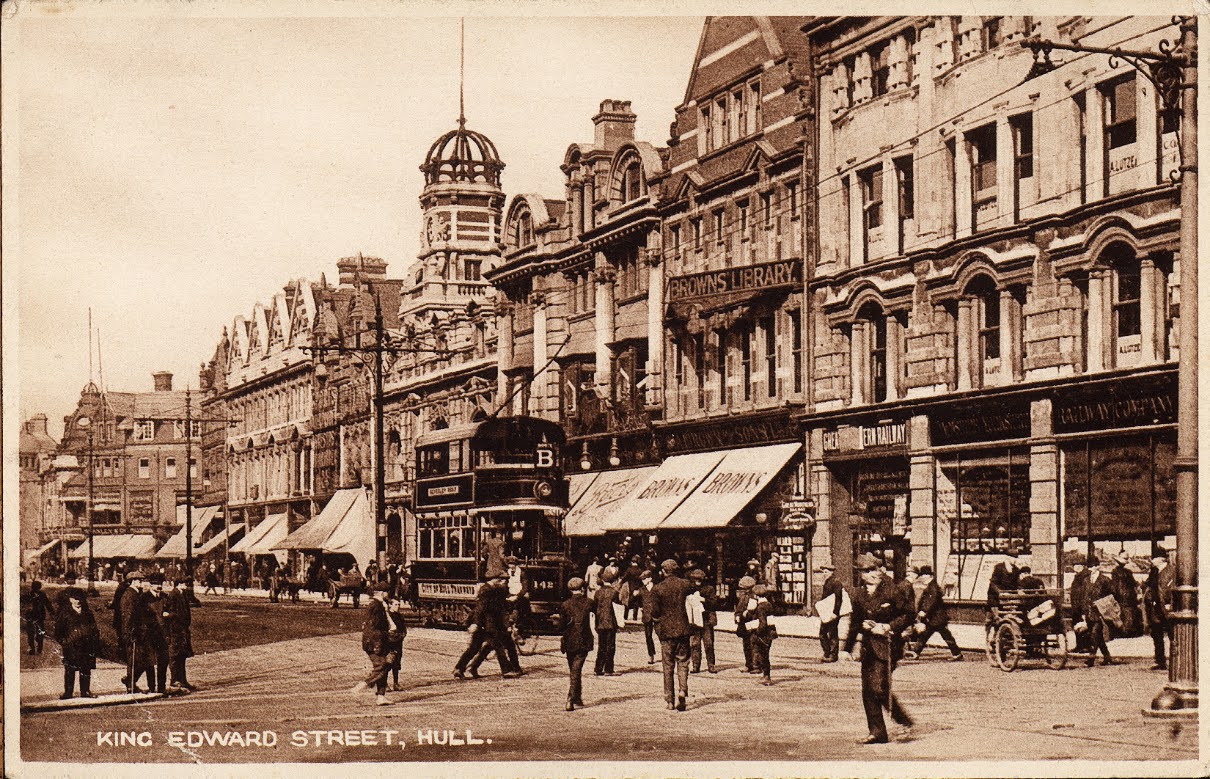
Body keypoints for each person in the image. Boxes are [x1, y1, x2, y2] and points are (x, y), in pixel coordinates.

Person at [842, 553, 915, 745]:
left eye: (873, 569)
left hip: (888, 646)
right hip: (868, 647)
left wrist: (888, 626)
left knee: (878, 688)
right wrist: (847, 648)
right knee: (868, 690)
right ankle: (877, 732)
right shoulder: (858, 594)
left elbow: (907, 615)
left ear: (880, 569)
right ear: (860, 574)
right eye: (866, 571)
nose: (871, 574)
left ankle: (904, 722)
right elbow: (855, 621)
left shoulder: (893, 590)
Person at [649, 559, 694, 711]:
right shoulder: (685, 584)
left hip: (666, 632)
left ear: (663, 571)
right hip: (683, 630)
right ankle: (683, 690)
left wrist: (658, 624)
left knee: (667, 666)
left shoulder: (657, 588)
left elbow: (654, 612)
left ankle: (669, 700)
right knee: (683, 662)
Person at [461, 576, 523, 679]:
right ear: (496, 580)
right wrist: (476, 623)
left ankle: (466, 667)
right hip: (489, 624)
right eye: (502, 580)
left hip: (494, 624)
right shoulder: (487, 590)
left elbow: (502, 606)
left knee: (487, 647)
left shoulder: (498, 589)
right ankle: (507, 670)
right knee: (497, 646)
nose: (505, 582)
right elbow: (480, 608)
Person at [352, 583, 393, 705]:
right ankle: (363, 685)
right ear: (382, 593)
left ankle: (381, 697)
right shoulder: (376, 606)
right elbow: (373, 627)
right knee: (382, 665)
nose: (388, 595)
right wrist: (378, 643)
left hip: (376, 641)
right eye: (387, 592)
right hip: (375, 642)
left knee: (384, 667)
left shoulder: (378, 605)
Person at [54, 590, 99, 700]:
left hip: (86, 645)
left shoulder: (87, 613)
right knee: (70, 669)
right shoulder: (65, 613)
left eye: (80, 599)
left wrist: (94, 639)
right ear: (70, 599)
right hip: (71, 647)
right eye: (75, 599)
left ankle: (85, 691)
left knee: (86, 668)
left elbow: (94, 628)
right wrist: (65, 642)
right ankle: (68, 692)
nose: (78, 601)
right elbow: (58, 631)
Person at [911, 565, 962, 661]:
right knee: (926, 636)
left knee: (943, 636)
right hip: (934, 618)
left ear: (927, 576)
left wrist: (924, 611)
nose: (921, 578)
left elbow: (931, 600)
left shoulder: (932, 587)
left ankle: (957, 653)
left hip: (937, 618)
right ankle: (915, 652)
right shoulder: (931, 586)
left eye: (922, 575)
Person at [558, 577, 593, 711]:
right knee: (576, 670)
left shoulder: (565, 604)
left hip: (569, 640)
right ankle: (571, 698)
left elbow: (561, 626)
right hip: (583, 639)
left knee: (573, 669)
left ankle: (576, 697)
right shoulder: (589, 602)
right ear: (582, 589)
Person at [1079, 557, 1119, 667]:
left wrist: (1103, 603)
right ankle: (1107, 657)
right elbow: (1083, 596)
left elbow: (1112, 594)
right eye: (1089, 567)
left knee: (1094, 633)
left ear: (1098, 567)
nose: (1090, 569)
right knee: (1098, 636)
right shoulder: (1086, 580)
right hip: (1088, 612)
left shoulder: (1104, 580)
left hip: (1100, 612)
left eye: (1092, 566)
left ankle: (1091, 657)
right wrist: (1083, 612)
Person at [161, 578, 197, 691]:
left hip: (183, 630)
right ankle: (175, 680)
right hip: (176, 630)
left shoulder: (182, 594)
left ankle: (183, 680)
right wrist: (173, 617)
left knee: (182, 655)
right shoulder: (173, 595)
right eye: (184, 584)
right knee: (175, 656)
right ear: (179, 584)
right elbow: (169, 613)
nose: (186, 586)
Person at [1143, 549, 1174, 671]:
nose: (1152, 561)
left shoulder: (1171, 571)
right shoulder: (1154, 572)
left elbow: (1171, 588)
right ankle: (1160, 660)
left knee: (1172, 633)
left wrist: (1168, 603)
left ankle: (1174, 658)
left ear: (1161, 559)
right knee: (1156, 634)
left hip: (1166, 607)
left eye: (1154, 558)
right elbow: (1149, 586)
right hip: (1155, 608)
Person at [743, 583, 777, 685]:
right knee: (765, 655)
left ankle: (767, 677)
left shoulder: (761, 607)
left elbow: (763, 622)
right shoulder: (769, 604)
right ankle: (766, 676)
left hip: (763, 635)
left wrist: (757, 633)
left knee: (763, 656)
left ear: (756, 596)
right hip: (770, 633)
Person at [687, 569, 718, 674]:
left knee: (708, 643)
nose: (697, 581)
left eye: (699, 579)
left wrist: (703, 599)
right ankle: (696, 665)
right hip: (694, 620)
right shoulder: (689, 589)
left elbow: (714, 604)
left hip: (706, 619)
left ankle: (711, 665)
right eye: (695, 579)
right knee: (695, 644)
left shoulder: (709, 589)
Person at [592, 568, 621, 676]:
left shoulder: (598, 593)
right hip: (611, 622)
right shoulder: (614, 593)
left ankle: (598, 668)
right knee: (611, 646)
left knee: (601, 646)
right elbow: (618, 607)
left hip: (600, 622)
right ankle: (609, 669)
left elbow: (594, 608)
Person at [817, 563, 845, 663]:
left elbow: (838, 599)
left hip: (832, 612)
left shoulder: (836, 583)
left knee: (832, 633)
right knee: (823, 633)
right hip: (826, 612)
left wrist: (835, 612)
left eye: (826, 572)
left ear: (831, 572)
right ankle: (827, 653)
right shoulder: (828, 582)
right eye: (823, 572)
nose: (824, 574)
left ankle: (832, 654)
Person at [1111, 553, 1143, 638]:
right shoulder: (1129, 572)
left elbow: (1114, 586)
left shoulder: (1115, 572)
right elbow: (1134, 584)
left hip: (1120, 596)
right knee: (1130, 614)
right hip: (1130, 596)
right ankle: (1129, 631)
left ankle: (1123, 632)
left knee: (1121, 614)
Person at [22, 580, 54, 655]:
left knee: (32, 633)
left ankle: (34, 648)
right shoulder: (38, 594)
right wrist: (52, 613)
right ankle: (37, 649)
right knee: (37, 633)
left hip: (34, 616)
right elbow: (48, 604)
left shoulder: (31, 594)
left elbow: (47, 604)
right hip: (36, 616)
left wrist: (52, 612)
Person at [734, 575, 758, 673]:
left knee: (753, 645)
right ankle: (749, 664)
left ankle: (755, 665)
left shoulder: (753, 597)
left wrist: (742, 615)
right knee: (746, 645)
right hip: (744, 623)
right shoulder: (744, 597)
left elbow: (751, 611)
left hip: (750, 623)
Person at [1069, 556, 1092, 654]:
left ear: (1083, 566)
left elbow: (1085, 593)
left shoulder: (1085, 576)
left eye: (1078, 565)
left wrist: (1083, 609)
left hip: (1081, 606)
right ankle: (1079, 646)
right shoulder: (1078, 576)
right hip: (1076, 606)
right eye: (1074, 565)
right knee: (1077, 626)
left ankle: (1085, 646)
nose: (1076, 567)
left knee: (1083, 626)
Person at [386, 596, 408, 691]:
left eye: (399, 604)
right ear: (390, 605)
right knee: (387, 663)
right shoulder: (387, 616)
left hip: (398, 642)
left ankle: (396, 683)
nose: (397, 606)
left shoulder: (400, 616)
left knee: (397, 664)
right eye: (395, 604)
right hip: (389, 643)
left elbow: (404, 629)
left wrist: (402, 636)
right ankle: (385, 684)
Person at [635, 570, 658, 664]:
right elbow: (637, 600)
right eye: (642, 579)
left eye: (644, 579)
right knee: (648, 636)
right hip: (647, 615)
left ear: (650, 578)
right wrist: (641, 607)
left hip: (657, 614)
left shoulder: (657, 588)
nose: (643, 581)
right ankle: (651, 655)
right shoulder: (641, 589)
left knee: (662, 635)